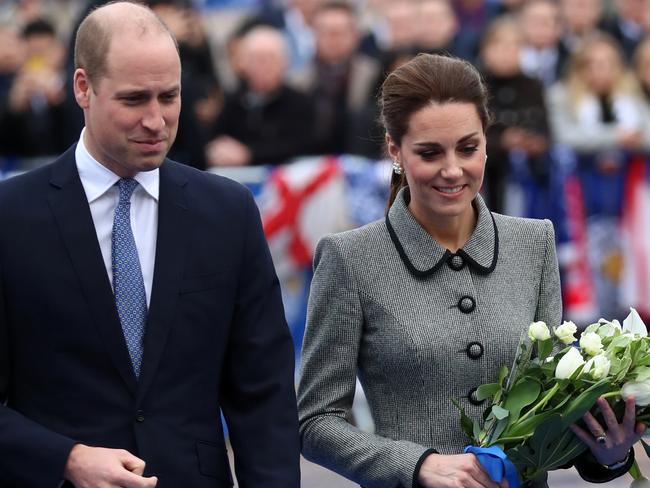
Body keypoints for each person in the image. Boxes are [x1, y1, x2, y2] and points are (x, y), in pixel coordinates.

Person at [297, 53, 644, 488]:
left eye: (468, 148)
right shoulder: (349, 257)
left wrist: (606, 454)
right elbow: (314, 422)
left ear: (486, 141)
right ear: (394, 150)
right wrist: (418, 465)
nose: (452, 170)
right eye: (429, 152)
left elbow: (552, 410)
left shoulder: (533, 242)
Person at [0, 2, 300, 487]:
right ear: (83, 88)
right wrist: (66, 458)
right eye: (135, 99)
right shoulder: (11, 217)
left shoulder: (227, 212)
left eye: (170, 96)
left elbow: (262, 392)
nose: (156, 120)